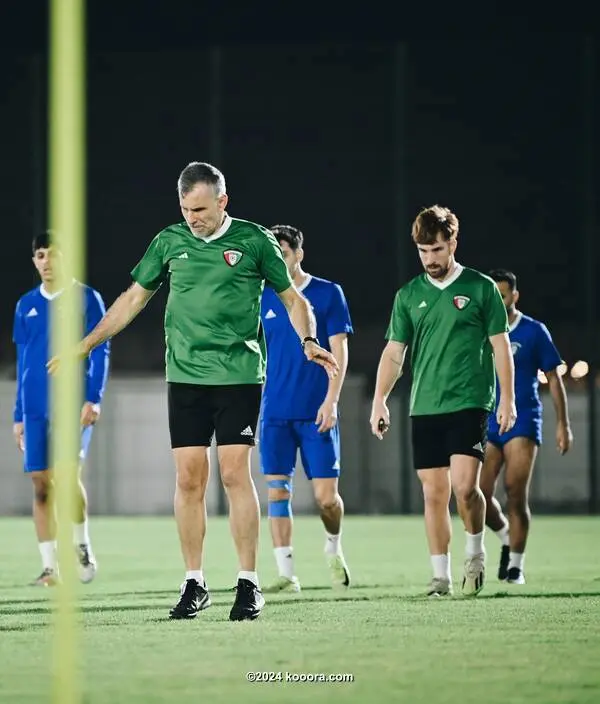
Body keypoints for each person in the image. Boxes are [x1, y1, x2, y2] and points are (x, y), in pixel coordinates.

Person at [48, 162, 338, 622]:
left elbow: (294, 300)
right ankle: (194, 582)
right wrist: (86, 343)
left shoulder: (254, 241)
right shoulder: (169, 242)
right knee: (187, 478)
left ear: (223, 201)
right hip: (184, 377)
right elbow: (130, 301)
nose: (192, 217)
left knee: (233, 472)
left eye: (200, 208)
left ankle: (249, 582)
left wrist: (307, 340)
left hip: (240, 375)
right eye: (185, 209)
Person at [369, 205, 516, 597]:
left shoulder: (481, 288)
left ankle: (475, 554)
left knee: (466, 487)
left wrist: (508, 400)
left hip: (470, 401)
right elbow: (394, 353)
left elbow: (501, 348)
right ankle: (440, 577)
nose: (430, 259)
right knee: (434, 493)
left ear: (452, 242)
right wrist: (379, 400)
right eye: (423, 251)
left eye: (436, 249)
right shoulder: (408, 295)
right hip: (425, 405)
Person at [259, 225, 353, 593]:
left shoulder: (328, 294)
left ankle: (333, 546)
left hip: (317, 412)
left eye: (284, 253)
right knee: (277, 492)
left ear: (298, 254)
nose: (279, 261)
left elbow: (339, 351)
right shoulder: (263, 296)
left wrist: (332, 400)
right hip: (275, 413)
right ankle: (286, 573)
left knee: (326, 499)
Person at [13, 232, 110, 586]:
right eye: (40, 255)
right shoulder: (25, 304)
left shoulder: (87, 298)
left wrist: (93, 397)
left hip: (72, 405)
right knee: (41, 486)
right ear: (35, 260)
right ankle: (50, 568)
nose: (46, 261)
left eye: (53, 254)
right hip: (35, 409)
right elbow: (23, 361)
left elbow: (101, 350)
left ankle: (81, 544)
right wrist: (18, 415)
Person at [481, 269, 573, 584]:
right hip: (488, 421)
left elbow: (555, 380)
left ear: (514, 296)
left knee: (515, 493)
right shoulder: (480, 330)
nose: (498, 300)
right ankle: (506, 535)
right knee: (475, 491)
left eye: (503, 294)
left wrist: (563, 424)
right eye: (494, 294)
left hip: (523, 421)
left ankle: (515, 567)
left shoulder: (534, 331)